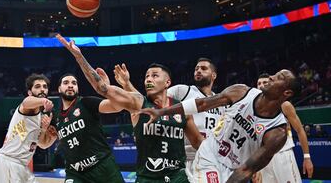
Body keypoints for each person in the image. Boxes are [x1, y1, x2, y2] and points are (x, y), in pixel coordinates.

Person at [56, 34, 204, 183]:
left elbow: (197, 141)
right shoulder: (139, 104)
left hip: (177, 177)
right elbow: (102, 88)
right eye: (147, 76)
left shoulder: (181, 109)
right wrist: (79, 57)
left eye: (154, 76)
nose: (149, 79)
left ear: (167, 82)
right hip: (148, 177)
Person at [140, 69, 301, 182]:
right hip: (210, 155)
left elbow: (247, 169)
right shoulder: (241, 92)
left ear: (286, 93)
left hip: (236, 170)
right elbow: (201, 103)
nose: (271, 77)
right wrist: (162, 112)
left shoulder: (277, 133)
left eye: (278, 77)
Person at [113, 58, 225, 181]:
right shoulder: (183, 91)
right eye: (196, 68)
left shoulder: (218, 102)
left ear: (214, 75)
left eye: (203, 69)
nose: (198, 71)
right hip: (184, 157)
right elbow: (150, 102)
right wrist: (127, 85)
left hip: (206, 155)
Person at [0, 74, 55, 183]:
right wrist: (44, 101)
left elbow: (42, 145)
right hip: (8, 163)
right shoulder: (28, 107)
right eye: (38, 86)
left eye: (45, 87)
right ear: (30, 92)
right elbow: (26, 102)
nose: (42, 89)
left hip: (21, 166)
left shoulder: (40, 116)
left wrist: (45, 130)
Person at [253, 73, 313, 183]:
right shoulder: (253, 109)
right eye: (259, 83)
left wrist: (307, 157)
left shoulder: (284, 105)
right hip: (262, 159)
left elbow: (300, 130)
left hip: (282, 155)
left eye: (265, 82)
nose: (261, 85)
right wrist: (254, 167)